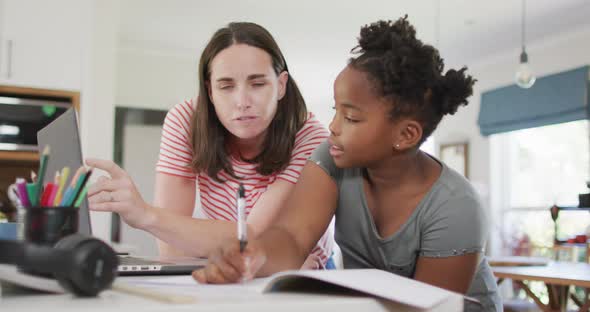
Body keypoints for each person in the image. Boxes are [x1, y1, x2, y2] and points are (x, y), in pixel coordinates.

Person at [192, 17, 502, 311]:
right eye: (336, 110)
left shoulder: (456, 208)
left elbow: (427, 306)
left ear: (406, 134)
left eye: (351, 117)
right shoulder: (333, 158)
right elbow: (292, 236)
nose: (333, 126)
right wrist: (255, 254)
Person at [86, 22, 334, 269]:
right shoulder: (186, 121)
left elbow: (254, 239)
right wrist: (211, 244)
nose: (242, 101)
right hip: (227, 265)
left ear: (281, 85)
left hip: (301, 270)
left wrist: (146, 216)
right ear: (210, 91)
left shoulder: (310, 137)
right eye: (226, 86)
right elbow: (172, 251)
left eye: (258, 84)